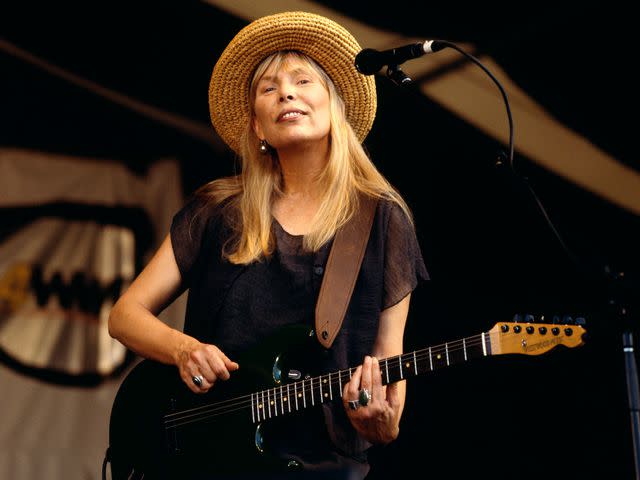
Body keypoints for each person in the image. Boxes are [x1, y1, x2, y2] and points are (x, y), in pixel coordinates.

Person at [108, 10, 428, 479]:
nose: (287, 93)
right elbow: (124, 315)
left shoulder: (382, 220)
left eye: (303, 81)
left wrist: (378, 421)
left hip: (323, 466)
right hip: (206, 460)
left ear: (335, 106)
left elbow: (388, 398)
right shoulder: (218, 210)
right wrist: (182, 350)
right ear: (257, 126)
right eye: (268, 88)